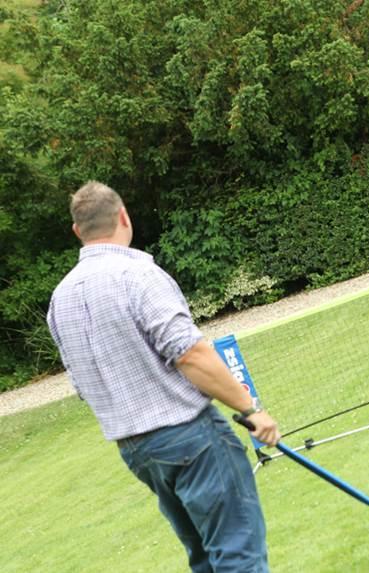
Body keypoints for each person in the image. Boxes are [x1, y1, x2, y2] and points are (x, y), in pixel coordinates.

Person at [47, 181, 280, 573]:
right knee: (237, 556)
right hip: (191, 437)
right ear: (124, 216)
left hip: (137, 450)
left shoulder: (60, 298)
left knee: (206, 559)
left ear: (77, 231)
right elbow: (189, 353)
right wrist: (249, 409)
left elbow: (82, 384)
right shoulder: (136, 274)